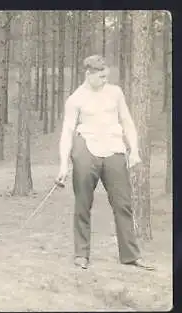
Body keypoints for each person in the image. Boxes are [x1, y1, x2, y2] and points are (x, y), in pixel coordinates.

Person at [56, 55, 154, 271]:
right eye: (100, 76)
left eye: (106, 76)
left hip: (114, 149)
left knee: (123, 204)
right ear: (88, 74)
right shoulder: (75, 99)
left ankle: (130, 255)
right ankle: (81, 254)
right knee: (83, 204)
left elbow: (127, 121)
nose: (104, 80)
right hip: (87, 149)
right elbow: (67, 132)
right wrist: (63, 164)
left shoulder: (115, 92)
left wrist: (134, 150)